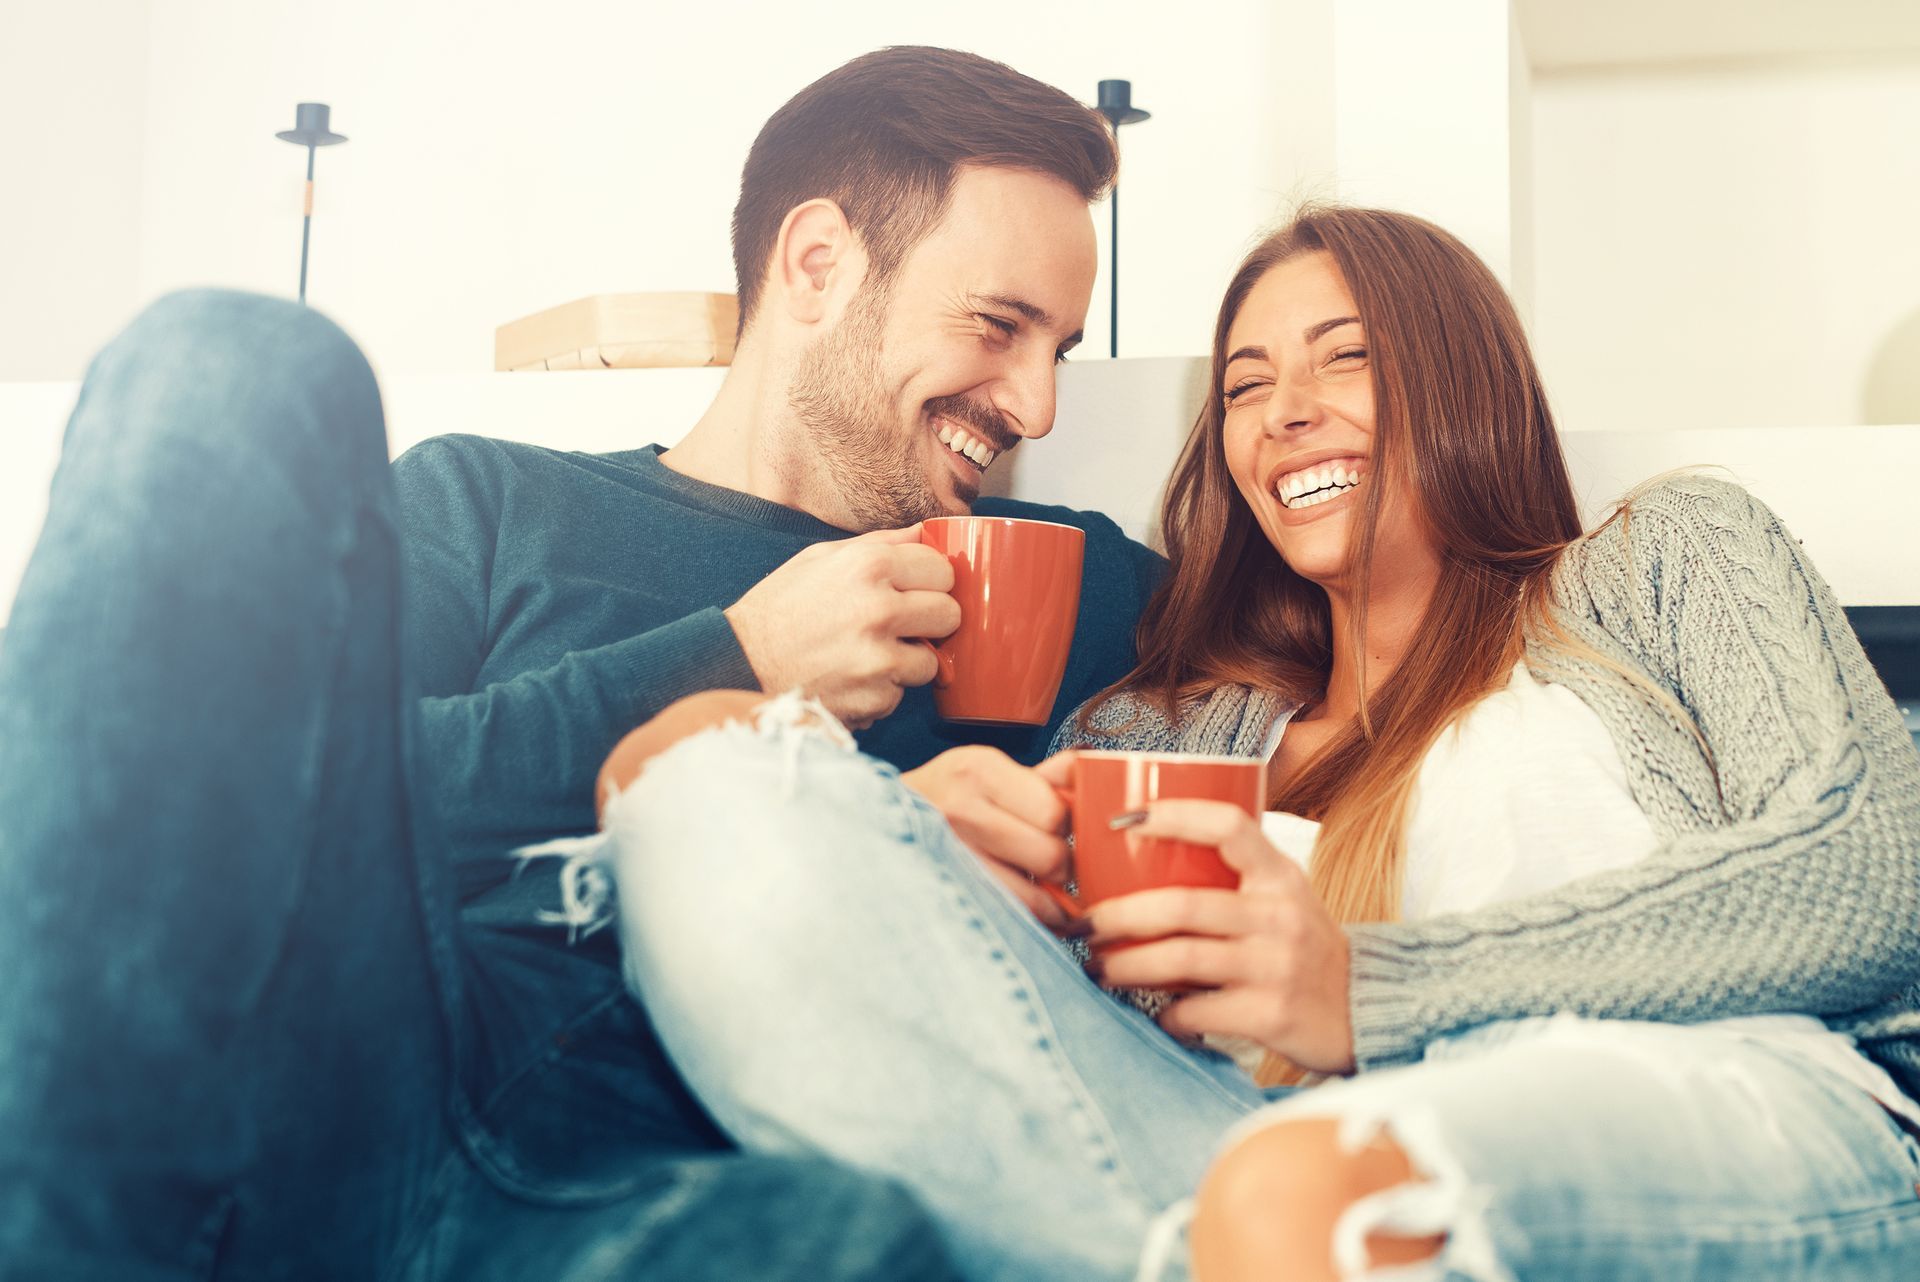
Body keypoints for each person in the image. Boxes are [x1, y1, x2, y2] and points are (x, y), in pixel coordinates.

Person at [593, 206, 1920, 1281]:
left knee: (1309, 1197)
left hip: (1725, 1113)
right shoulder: (1156, 730)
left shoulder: (1659, 563)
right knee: (691, 763)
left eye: (1346, 357)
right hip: (1243, 1166)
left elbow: (1877, 873)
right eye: (1245, 384)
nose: (1283, 410)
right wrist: (948, 859)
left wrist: (1367, 988)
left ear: (1464, 379)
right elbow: (1066, 1051)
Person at [0, 46, 1157, 1279]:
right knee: (227, 360)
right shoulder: (486, 503)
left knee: (860, 1244)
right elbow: (246, 809)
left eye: (1059, 350)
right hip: (355, 1080)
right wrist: (739, 658)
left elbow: (1305, 628)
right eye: (998, 325)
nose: (1036, 406)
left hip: (663, 1190)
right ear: (819, 264)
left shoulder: (1047, 574)